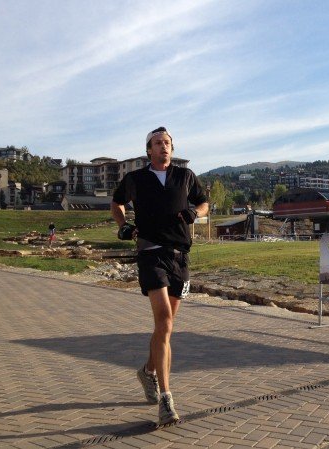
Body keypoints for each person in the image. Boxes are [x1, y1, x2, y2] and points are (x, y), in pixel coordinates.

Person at [110, 126, 209, 426]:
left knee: (165, 328)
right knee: (164, 322)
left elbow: (204, 204)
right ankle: (166, 400)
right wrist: (124, 226)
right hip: (151, 253)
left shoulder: (185, 177)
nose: (163, 147)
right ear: (149, 150)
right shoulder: (136, 179)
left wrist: (196, 213)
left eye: (167, 143)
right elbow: (116, 204)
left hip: (180, 256)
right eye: (157, 143)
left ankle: (148, 371)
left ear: (172, 148)